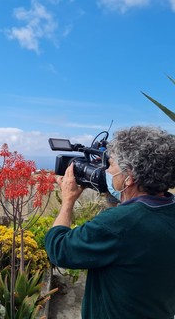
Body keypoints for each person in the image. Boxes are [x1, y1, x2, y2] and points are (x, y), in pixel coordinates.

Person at [45, 126, 175, 319]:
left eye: (110, 164)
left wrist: (68, 200)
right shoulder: (168, 210)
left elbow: (59, 249)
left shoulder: (118, 224)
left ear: (129, 177)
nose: (106, 170)